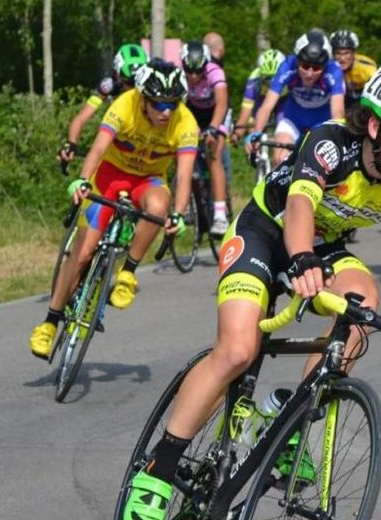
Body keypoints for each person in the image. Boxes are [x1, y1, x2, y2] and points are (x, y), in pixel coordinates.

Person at [121, 61, 381, 520]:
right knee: (237, 350)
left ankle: (292, 414)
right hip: (265, 231)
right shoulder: (331, 141)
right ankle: (159, 469)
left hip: (322, 246)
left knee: (363, 306)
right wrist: (301, 258)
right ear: (375, 125)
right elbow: (299, 207)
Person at [29, 61, 197, 358]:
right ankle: (50, 322)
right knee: (82, 254)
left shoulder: (186, 123)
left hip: (149, 181)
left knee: (159, 205)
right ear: (143, 97)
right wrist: (81, 181)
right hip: (109, 175)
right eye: (159, 104)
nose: (166, 111)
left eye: (172, 104)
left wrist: (178, 214)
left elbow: (184, 174)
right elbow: (97, 147)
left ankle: (128, 272)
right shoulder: (124, 104)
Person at [245, 29, 345, 166]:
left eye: (316, 68)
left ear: (325, 65)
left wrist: (338, 139)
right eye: (304, 66)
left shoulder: (334, 70)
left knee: (319, 165)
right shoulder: (287, 66)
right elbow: (267, 105)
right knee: (281, 159)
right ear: (297, 61)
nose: (309, 73)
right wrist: (256, 133)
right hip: (293, 119)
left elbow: (337, 112)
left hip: (322, 122)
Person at [57, 43, 148, 169]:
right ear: (118, 75)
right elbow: (81, 118)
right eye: (129, 83)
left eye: (138, 83)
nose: (133, 89)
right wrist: (70, 144)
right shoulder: (109, 85)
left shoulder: (152, 84)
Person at [181, 41, 230, 237]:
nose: (193, 76)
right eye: (189, 72)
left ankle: (220, 215)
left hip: (216, 113)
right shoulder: (180, 75)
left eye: (197, 72)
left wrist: (212, 129)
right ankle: (185, 205)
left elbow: (222, 103)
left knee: (213, 154)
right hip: (194, 113)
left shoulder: (214, 72)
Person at [231, 48, 287, 141]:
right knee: (253, 128)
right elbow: (246, 111)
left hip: (283, 99)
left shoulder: (290, 77)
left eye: (275, 78)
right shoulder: (254, 79)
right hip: (262, 99)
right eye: (267, 79)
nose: (271, 84)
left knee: (283, 127)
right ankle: (255, 154)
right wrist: (237, 134)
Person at [330, 29, 377, 109]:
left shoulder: (367, 69)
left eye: (346, 53)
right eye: (338, 53)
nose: (342, 58)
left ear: (354, 53)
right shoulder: (329, 66)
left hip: (363, 98)